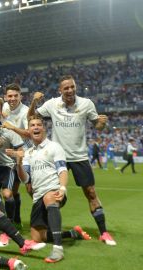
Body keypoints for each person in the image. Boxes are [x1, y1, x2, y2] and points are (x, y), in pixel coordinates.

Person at [28, 75, 116, 246]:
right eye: (66, 88)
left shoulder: (86, 104)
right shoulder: (52, 104)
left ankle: (104, 232)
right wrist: (33, 102)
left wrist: (102, 123)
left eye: (72, 87)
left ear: (75, 87)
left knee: (90, 192)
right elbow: (32, 118)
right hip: (57, 155)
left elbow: (97, 125)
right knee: (45, 192)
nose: (69, 90)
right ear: (60, 90)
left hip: (79, 156)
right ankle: (45, 229)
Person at [7, 116, 92, 263]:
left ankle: (58, 250)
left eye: (39, 125)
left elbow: (62, 170)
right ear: (29, 130)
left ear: (43, 128)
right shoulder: (28, 153)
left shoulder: (54, 147)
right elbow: (25, 179)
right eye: (32, 125)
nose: (36, 127)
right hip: (38, 196)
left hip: (54, 191)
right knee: (38, 237)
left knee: (48, 197)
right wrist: (19, 163)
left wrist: (63, 188)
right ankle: (72, 234)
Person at [0, 96, 24, 247]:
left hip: (7, 166)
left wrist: (15, 156)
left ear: (2, 111)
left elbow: (20, 150)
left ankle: (9, 226)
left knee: (8, 195)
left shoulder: (8, 127)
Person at [1, 83, 31, 229]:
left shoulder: (25, 111)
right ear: (5, 97)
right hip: (7, 151)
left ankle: (13, 219)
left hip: (23, 151)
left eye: (15, 96)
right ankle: (15, 219)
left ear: (21, 96)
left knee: (22, 187)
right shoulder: (4, 107)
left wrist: (12, 127)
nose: (12, 99)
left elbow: (29, 133)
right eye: (9, 96)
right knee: (12, 189)